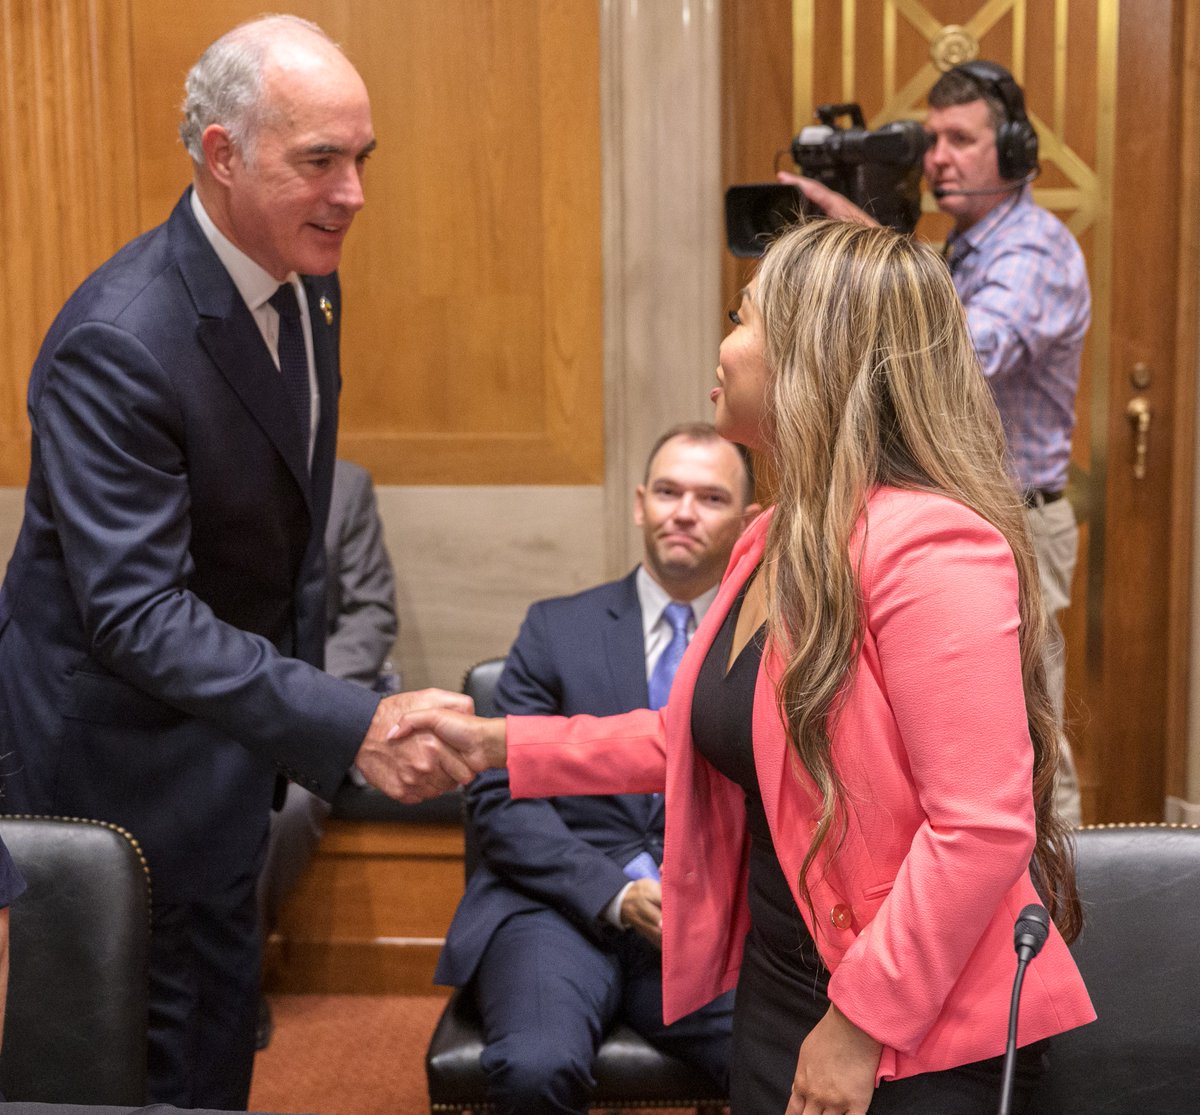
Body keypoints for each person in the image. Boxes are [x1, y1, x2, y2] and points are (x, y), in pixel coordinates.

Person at [405, 220, 1095, 1114]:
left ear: (812, 356)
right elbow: (695, 735)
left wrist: (861, 1021)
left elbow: (981, 829)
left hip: (911, 1016)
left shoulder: (932, 545)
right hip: (785, 977)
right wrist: (497, 742)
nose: (723, 343)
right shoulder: (773, 537)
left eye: (742, 317)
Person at [0, 17, 471, 1108]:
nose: (354, 193)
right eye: (321, 160)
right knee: (137, 1070)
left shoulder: (306, 280)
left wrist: (299, 729)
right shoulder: (120, 339)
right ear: (222, 154)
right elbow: (135, 613)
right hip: (111, 777)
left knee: (216, 1047)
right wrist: (347, 719)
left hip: (225, 757)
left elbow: (283, 542)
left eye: (363, 158)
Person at [783, 61, 1089, 824]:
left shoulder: (1033, 251)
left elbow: (963, 358)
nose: (938, 159)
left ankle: (1065, 894)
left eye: (961, 140)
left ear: (1013, 151)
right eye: (933, 140)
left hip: (1017, 518)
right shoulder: (962, 247)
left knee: (1028, 731)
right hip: (956, 516)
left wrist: (869, 255)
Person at [436, 423, 756, 1114]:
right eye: (667, 492)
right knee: (535, 1066)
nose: (684, 512)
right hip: (557, 908)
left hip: (710, 920)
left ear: (748, 520)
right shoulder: (557, 628)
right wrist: (614, 891)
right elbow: (501, 797)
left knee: (780, 1066)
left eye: (710, 498)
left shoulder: (766, 644)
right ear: (640, 503)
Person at [256, 457, 399, 1048]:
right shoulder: (199, 468)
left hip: (309, 704)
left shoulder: (346, 483)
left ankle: (235, 972)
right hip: (204, 698)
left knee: (289, 805)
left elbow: (371, 612)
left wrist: (303, 698)